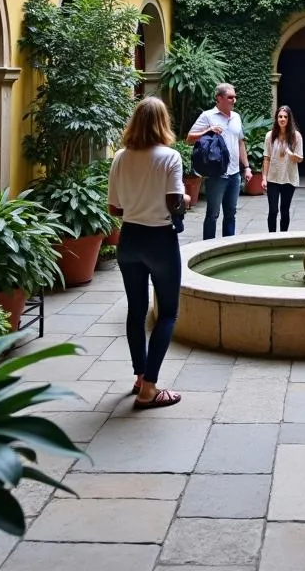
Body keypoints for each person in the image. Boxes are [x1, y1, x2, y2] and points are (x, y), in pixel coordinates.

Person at [107, 95, 187, 410]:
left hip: (129, 240)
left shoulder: (120, 157)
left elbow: (114, 207)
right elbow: (174, 203)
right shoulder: (170, 157)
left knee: (135, 311)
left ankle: (140, 376)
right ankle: (150, 388)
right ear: (162, 122)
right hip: (160, 241)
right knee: (167, 313)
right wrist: (185, 203)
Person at [187, 83, 253, 240]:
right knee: (213, 214)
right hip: (217, 173)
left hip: (234, 174)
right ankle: (207, 248)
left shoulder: (236, 117)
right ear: (219, 98)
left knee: (231, 213)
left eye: (235, 97)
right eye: (230, 97)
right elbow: (189, 139)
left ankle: (227, 247)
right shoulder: (208, 116)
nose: (234, 100)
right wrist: (207, 131)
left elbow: (240, 142)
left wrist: (247, 167)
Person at [261, 105, 303, 232]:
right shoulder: (270, 136)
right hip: (273, 178)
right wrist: (264, 178)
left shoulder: (296, 136)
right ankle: (271, 237)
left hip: (289, 178)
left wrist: (290, 154)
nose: (282, 119)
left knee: (285, 210)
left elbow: (300, 159)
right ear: (276, 119)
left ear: (289, 119)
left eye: (285, 117)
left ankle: (283, 237)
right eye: (280, 117)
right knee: (273, 210)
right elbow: (266, 158)